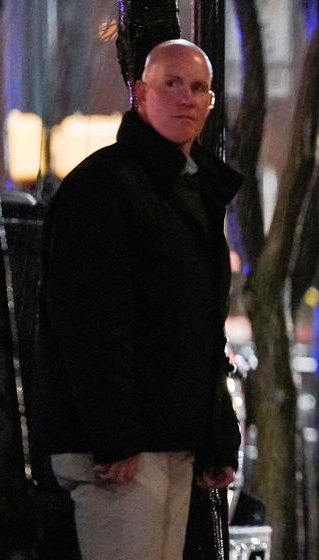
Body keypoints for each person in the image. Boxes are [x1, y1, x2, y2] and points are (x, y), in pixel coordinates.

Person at [34, 39, 242, 560]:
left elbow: (198, 327)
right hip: (125, 453)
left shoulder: (184, 190)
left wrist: (215, 434)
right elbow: (90, 321)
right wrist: (115, 436)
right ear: (140, 93)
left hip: (166, 440)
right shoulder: (105, 189)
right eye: (171, 84)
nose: (187, 98)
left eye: (199, 88)